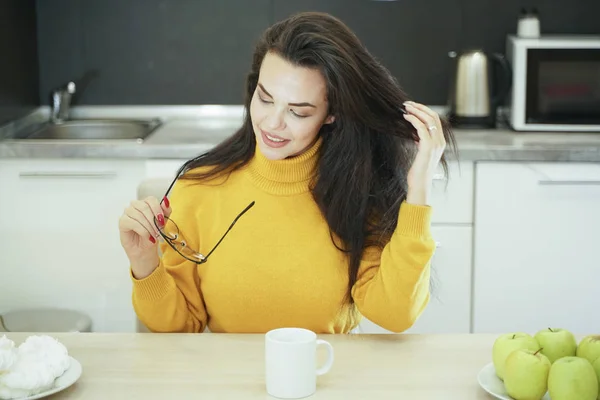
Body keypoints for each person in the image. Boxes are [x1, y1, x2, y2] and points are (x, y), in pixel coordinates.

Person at [118, 11, 457, 334]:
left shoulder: (358, 193)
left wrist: (418, 188)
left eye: (298, 111)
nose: (272, 123)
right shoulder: (197, 188)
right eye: (265, 99)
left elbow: (395, 314)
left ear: (331, 114)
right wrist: (144, 262)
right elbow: (180, 326)